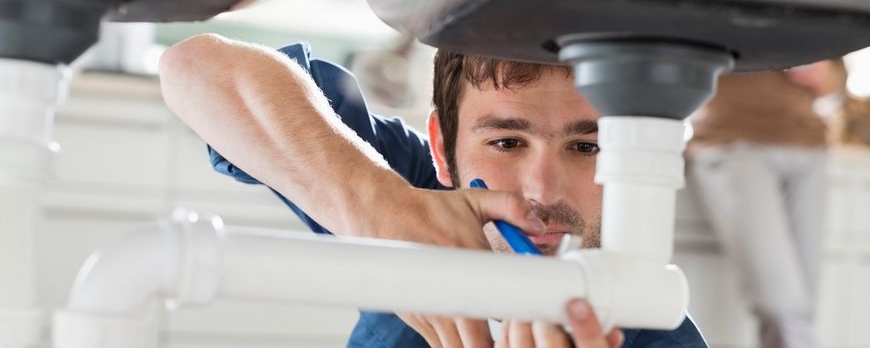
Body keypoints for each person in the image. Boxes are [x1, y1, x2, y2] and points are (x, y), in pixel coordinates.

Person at [158, 34, 708, 348]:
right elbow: (194, 67)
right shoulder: (411, 190)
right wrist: (377, 204)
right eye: (508, 143)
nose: (541, 191)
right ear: (443, 150)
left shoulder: (656, 328)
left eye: (587, 149)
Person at [685, 59, 846, 348]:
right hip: (732, 140)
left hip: (809, 146)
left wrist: (826, 72)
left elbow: (837, 78)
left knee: (802, 306)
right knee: (780, 303)